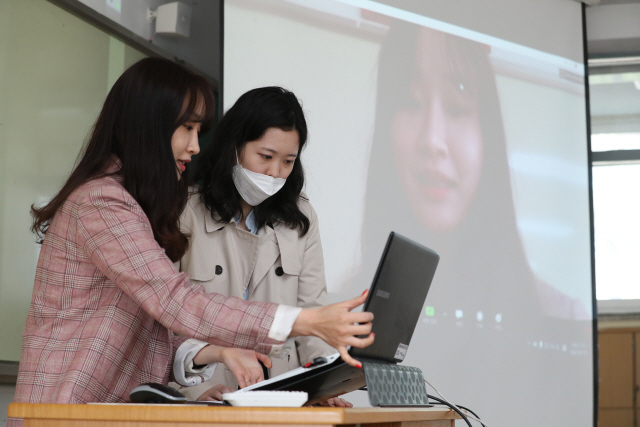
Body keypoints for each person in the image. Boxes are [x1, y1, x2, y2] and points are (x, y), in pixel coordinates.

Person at [10, 58, 373, 426]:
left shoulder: (132, 202)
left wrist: (215, 353)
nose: (196, 146)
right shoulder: (101, 202)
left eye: (199, 130)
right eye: (187, 128)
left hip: (112, 409)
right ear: (149, 126)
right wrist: (306, 320)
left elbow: (155, 329)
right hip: (69, 408)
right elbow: (175, 302)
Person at [361, 23, 588, 328]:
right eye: (410, 102)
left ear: (486, 137)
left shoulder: (561, 317)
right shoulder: (346, 310)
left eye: (456, 108)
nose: (432, 140)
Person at [176, 87, 350, 406]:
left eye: (288, 161)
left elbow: (312, 314)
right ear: (235, 147)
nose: (275, 173)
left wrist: (325, 383)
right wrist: (193, 391)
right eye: (265, 157)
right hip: (207, 398)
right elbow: (165, 318)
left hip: (281, 401)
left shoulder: (301, 218)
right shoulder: (184, 211)